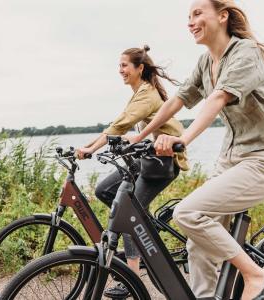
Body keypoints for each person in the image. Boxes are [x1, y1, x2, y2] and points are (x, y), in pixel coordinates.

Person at [126, 0, 264, 299]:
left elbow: (218, 98)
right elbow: (178, 100)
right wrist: (141, 136)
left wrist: (182, 139)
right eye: (188, 16)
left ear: (222, 16)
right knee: (197, 244)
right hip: (231, 159)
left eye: (198, 13)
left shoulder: (246, 52)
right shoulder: (205, 61)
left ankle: (256, 276)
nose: (191, 21)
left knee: (187, 213)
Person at [77, 45, 189, 298]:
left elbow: (120, 125)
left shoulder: (147, 94)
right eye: (119, 66)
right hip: (148, 159)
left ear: (140, 68)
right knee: (104, 190)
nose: (121, 70)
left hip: (162, 162)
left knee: (130, 211)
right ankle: (145, 234)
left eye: (125, 65)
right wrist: (92, 147)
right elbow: (119, 125)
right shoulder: (140, 93)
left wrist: (90, 148)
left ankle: (132, 278)